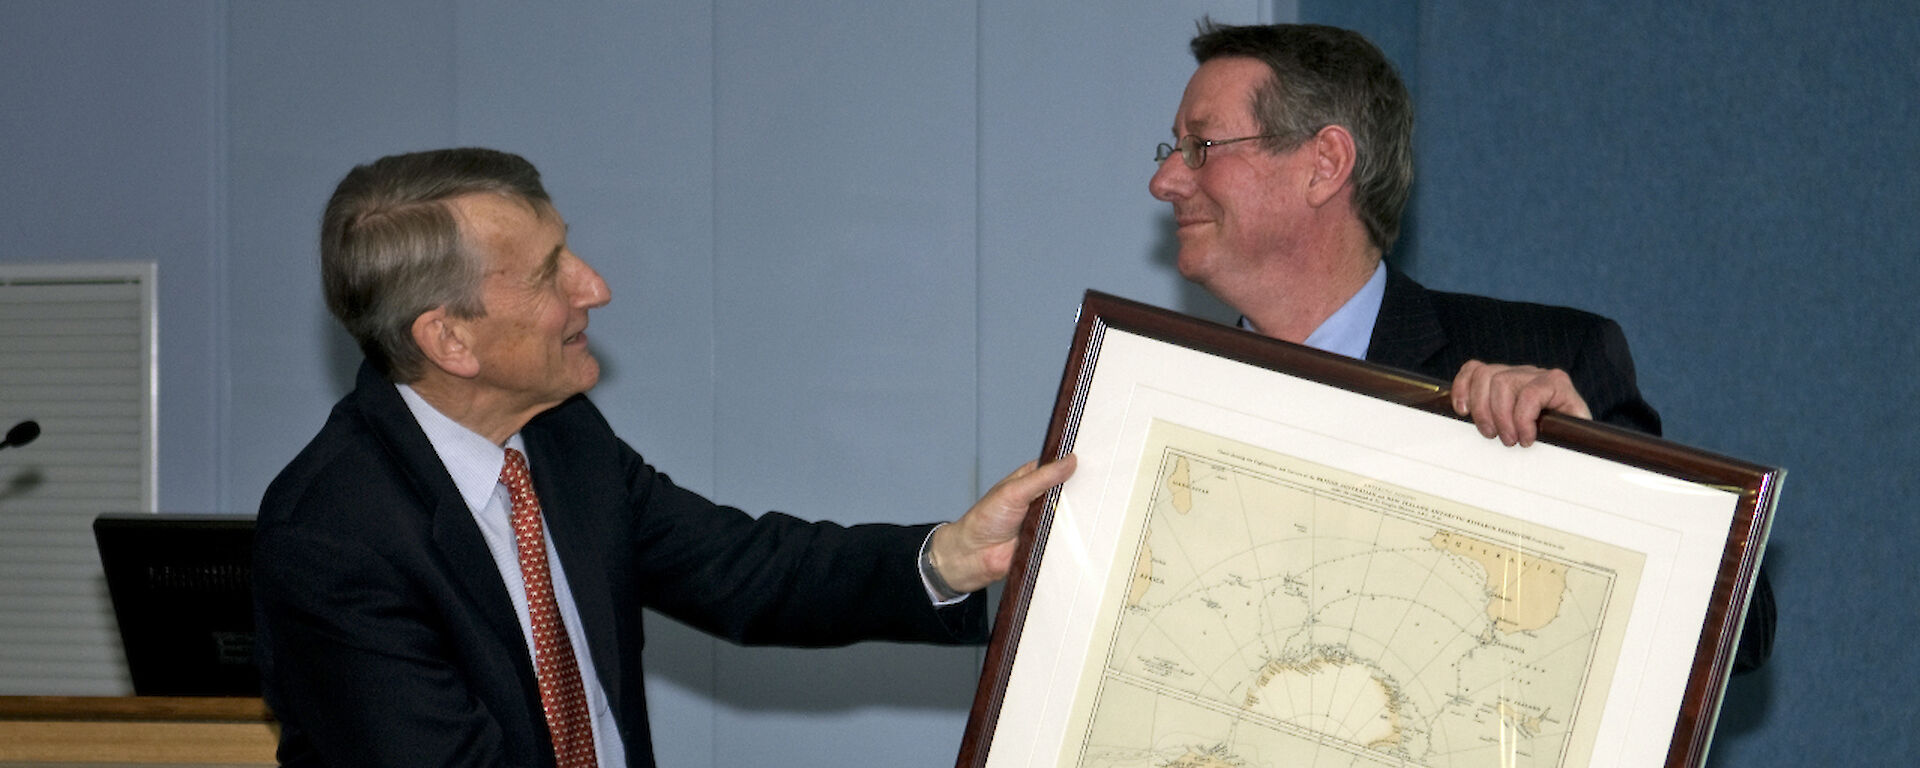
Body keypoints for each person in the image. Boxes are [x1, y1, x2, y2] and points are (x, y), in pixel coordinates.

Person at [252, 147, 1075, 767]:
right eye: (549, 274)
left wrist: (955, 555)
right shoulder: (333, 534)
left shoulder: (564, 439)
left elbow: (750, 571)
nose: (595, 286)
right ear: (450, 338)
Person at [1148, 21, 1770, 671]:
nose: (1165, 181)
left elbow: (1743, 637)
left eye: (1201, 146)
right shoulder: (1153, 401)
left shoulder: (1552, 358)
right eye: (1174, 148)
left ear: (1324, 164)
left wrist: (1591, 470)